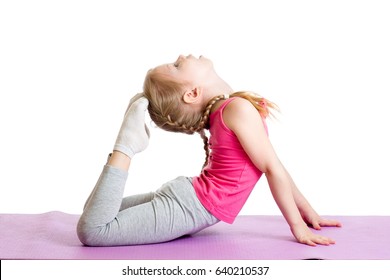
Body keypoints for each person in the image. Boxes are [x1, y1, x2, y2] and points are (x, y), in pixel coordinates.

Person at [77, 54, 341, 247]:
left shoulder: (229, 109)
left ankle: (126, 142)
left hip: (189, 199)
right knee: (94, 228)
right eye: (177, 65)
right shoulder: (236, 108)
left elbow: (275, 167)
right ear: (192, 92)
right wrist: (298, 228)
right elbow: (272, 169)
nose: (181, 56)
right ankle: (126, 145)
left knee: (96, 215)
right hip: (191, 206)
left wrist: (308, 213)